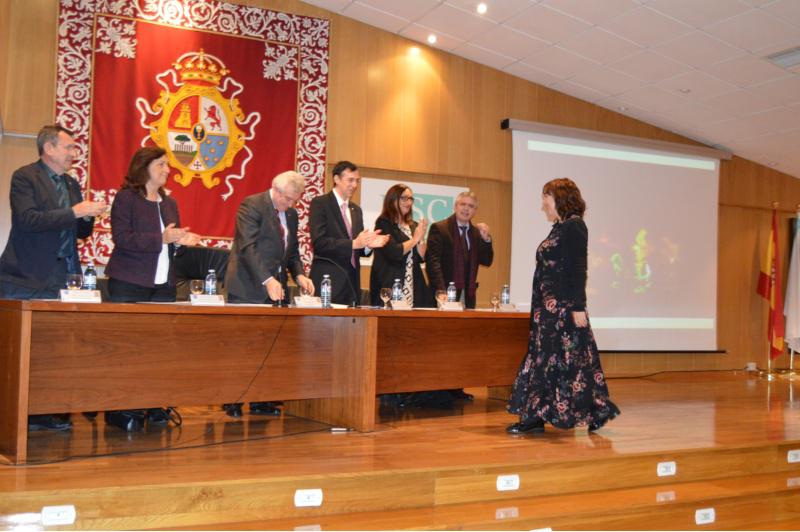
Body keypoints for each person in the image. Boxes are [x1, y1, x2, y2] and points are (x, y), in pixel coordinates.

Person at [0, 125, 107, 431]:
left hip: (64, 276)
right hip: (27, 276)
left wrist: (87, 216)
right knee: (19, 349)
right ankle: (12, 414)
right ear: (48, 148)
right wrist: (74, 212)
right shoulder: (25, 177)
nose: (75, 152)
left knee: (52, 349)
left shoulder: (71, 184)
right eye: (69, 147)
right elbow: (27, 219)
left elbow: (81, 232)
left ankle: (43, 411)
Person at [507, 178, 619, 434]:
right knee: (558, 359)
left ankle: (539, 417)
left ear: (558, 197)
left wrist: (578, 306)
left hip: (563, 309)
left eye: (545, 197)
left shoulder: (574, 226)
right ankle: (547, 414)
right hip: (547, 310)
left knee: (566, 359)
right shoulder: (559, 227)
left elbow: (578, 268)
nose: (543, 204)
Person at [103, 146, 200, 431]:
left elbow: (171, 247)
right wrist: (163, 238)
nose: (168, 170)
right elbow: (122, 238)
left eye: (167, 165)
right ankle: (120, 409)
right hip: (129, 283)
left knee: (158, 350)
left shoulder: (170, 203)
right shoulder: (126, 199)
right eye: (161, 164)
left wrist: (181, 243)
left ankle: (155, 403)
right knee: (127, 350)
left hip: (163, 287)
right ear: (143, 167)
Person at [224, 170, 315, 417]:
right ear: (275, 189)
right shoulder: (252, 205)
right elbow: (247, 247)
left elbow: (292, 252)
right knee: (242, 347)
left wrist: (300, 275)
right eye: (288, 199)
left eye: (295, 200)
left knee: (268, 348)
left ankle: (260, 400)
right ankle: (233, 399)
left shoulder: (291, 215)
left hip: (276, 289)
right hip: (247, 287)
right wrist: (267, 279)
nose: (291, 204)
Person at [309, 161, 388, 306]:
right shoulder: (320, 204)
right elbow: (320, 243)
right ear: (336, 179)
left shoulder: (356, 210)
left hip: (352, 284)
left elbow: (359, 250)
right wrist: (354, 243)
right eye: (350, 180)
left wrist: (368, 245)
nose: (355, 185)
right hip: (328, 282)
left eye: (357, 181)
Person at [369, 184, 434, 308]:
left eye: (411, 199)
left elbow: (421, 257)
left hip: (413, 284)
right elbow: (394, 252)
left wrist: (421, 237)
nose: (408, 202)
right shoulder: (383, 223)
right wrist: (414, 239)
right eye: (404, 198)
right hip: (391, 283)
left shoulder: (413, 225)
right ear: (392, 200)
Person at [426, 191, 493, 309]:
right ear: (455, 206)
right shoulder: (440, 228)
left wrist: (486, 239)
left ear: (475, 211)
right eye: (463, 204)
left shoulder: (476, 233)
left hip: (468, 295)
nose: (466, 208)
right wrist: (441, 290)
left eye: (471, 206)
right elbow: (433, 263)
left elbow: (486, 261)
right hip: (444, 294)